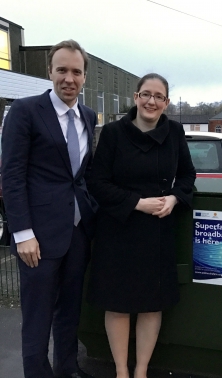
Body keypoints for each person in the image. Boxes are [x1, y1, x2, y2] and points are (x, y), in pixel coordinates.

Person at [87, 73, 196, 378]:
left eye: (158, 96)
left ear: (166, 103)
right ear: (135, 98)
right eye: (145, 94)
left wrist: (175, 198)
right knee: (118, 304)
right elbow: (97, 182)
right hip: (118, 229)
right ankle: (122, 371)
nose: (151, 101)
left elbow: (188, 175)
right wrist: (137, 202)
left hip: (157, 232)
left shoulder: (175, 131)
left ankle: (141, 371)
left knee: (152, 305)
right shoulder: (111, 133)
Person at [2, 40, 97, 378]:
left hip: (77, 233)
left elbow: (81, 176)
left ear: (84, 76)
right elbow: (11, 176)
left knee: (70, 310)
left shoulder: (88, 116)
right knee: (38, 316)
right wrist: (22, 233)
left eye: (76, 71)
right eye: (62, 70)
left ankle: (67, 369)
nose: (69, 78)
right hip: (37, 239)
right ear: (50, 72)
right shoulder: (25, 112)